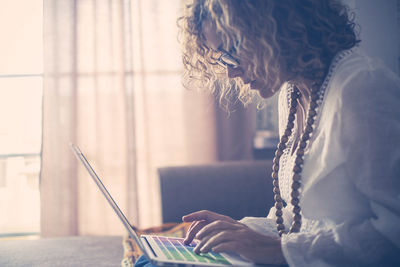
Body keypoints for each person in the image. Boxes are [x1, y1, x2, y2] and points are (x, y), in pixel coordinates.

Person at [136, 0, 400, 266]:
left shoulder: (363, 88)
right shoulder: (292, 91)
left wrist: (278, 250)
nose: (230, 70)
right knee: (151, 263)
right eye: (222, 56)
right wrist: (244, 231)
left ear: (277, 27)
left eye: (233, 49)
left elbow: (394, 235)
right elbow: (303, 221)